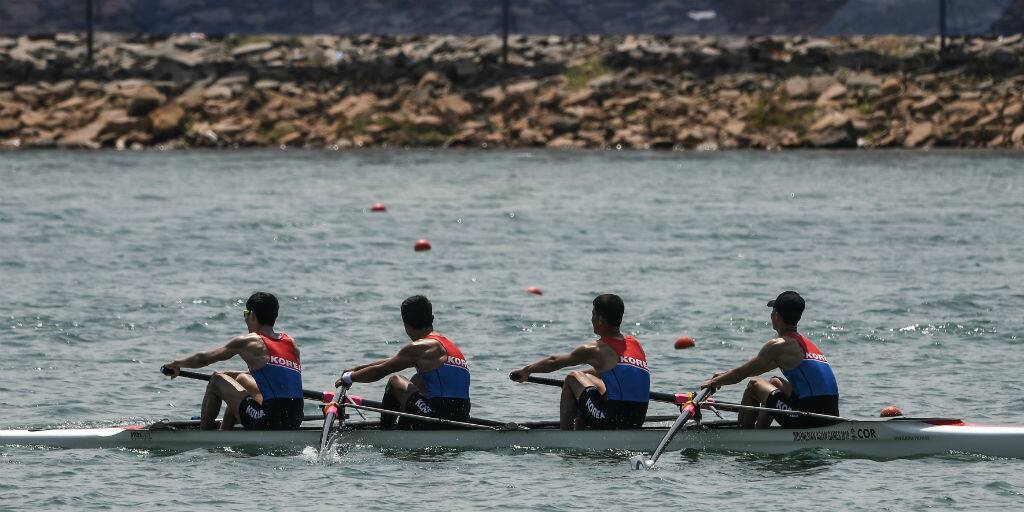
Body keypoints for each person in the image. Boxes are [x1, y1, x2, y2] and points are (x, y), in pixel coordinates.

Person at [163, 292, 304, 431]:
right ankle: (224, 431)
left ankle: (204, 437)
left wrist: (176, 364)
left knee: (216, 380)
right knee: (242, 379)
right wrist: (232, 376)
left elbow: (203, 359)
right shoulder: (291, 343)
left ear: (252, 315)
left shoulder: (250, 341)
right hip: (295, 419)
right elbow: (273, 376)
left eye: (245, 313)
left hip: (268, 421)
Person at [701, 291, 840, 429]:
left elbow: (741, 375)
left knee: (754, 385)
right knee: (775, 382)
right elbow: (754, 369)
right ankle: (760, 432)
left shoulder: (779, 345)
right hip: (830, 415)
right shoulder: (805, 344)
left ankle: (744, 437)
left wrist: (713, 382)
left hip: (810, 419)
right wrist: (722, 377)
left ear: (776, 316)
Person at [510, 294, 650, 430]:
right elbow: (617, 373)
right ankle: (581, 429)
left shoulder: (595, 349)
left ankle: (566, 436)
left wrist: (527, 370)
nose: (591, 319)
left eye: (593, 314)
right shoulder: (635, 344)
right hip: (637, 420)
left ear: (600, 320)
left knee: (572, 378)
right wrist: (584, 376)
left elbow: (554, 361)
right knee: (585, 378)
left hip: (612, 419)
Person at [335, 295, 470, 429]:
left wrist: (348, 378)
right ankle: (406, 427)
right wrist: (358, 368)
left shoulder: (420, 347)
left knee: (395, 381)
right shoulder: (446, 345)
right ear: (432, 319)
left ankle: (387, 432)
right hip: (462, 417)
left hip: (437, 416)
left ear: (406, 325)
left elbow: (379, 371)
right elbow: (392, 361)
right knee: (417, 380)